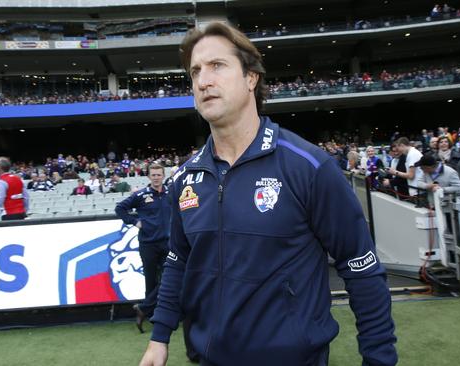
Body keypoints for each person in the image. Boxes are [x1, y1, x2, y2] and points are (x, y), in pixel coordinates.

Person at [140, 22, 396, 366]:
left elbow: (361, 269)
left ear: (251, 78)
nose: (203, 81)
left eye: (217, 66)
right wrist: (159, 338)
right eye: (195, 72)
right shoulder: (186, 177)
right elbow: (178, 262)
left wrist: (378, 360)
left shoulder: (309, 167)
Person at [115, 163, 172, 334]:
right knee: (151, 281)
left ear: (163, 175)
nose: (156, 177)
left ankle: (143, 308)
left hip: (168, 243)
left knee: (168, 279)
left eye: (159, 174)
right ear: (148, 177)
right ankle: (153, 316)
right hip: (148, 244)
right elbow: (120, 208)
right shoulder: (140, 195)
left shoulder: (171, 192)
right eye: (153, 175)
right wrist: (135, 222)